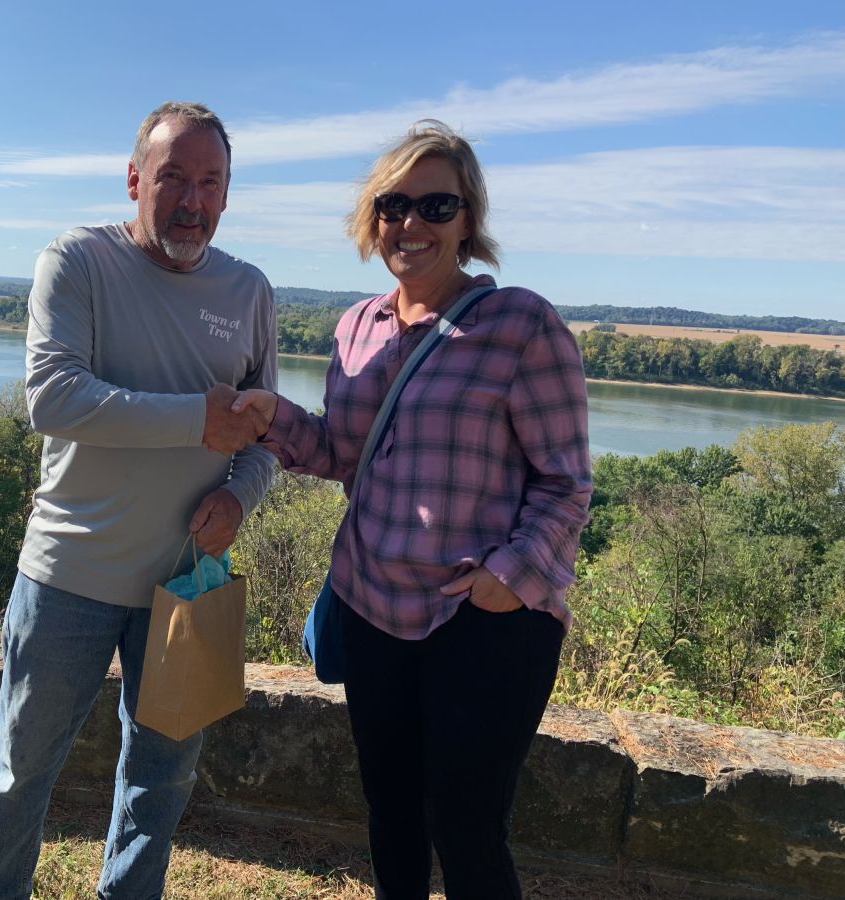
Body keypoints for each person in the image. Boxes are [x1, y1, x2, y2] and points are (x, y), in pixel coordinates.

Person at [233, 120, 591, 900]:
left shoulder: (520, 325)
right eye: (395, 204)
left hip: (483, 621)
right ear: (373, 216)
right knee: (390, 814)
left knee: (466, 828)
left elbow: (566, 484)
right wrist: (269, 416)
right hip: (371, 608)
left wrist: (509, 575)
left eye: (437, 205)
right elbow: (342, 455)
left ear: (469, 221)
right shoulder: (355, 327)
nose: (411, 224)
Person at [0, 101, 276, 900]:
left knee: (162, 783)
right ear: (135, 178)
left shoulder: (249, 291)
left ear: (228, 196)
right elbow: (54, 397)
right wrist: (193, 421)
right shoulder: (76, 261)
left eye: (210, 182)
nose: (191, 200)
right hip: (68, 574)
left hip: (185, 588)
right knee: (18, 772)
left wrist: (240, 499)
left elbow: (261, 435)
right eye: (173, 176)